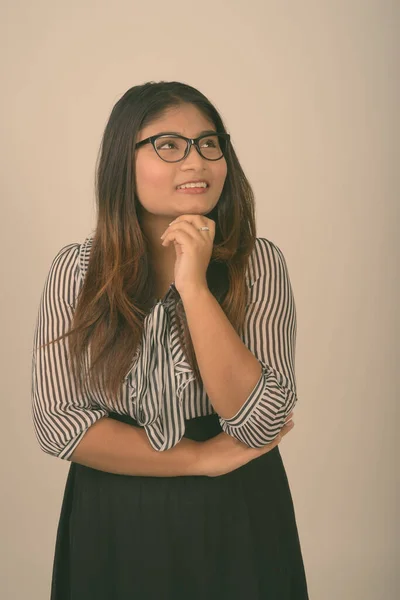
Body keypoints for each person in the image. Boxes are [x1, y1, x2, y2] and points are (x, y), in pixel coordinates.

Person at [31, 81, 309, 599]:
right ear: (123, 161)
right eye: (169, 145)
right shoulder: (76, 271)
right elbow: (59, 426)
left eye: (209, 143)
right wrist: (197, 460)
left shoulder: (259, 262)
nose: (196, 162)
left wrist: (195, 288)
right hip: (113, 511)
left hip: (240, 509)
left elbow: (260, 420)